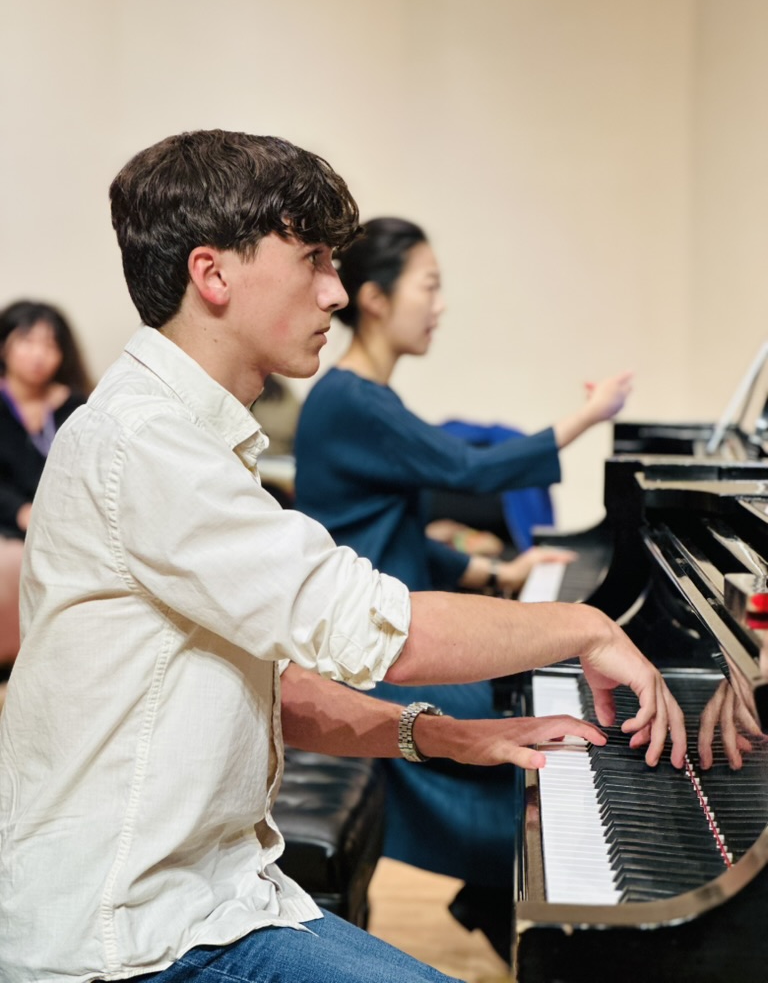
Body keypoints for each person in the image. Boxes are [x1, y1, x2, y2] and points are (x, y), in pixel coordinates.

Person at [0, 129, 685, 983]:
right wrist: (582, 627)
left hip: (220, 895)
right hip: (135, 939)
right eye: (315, 259)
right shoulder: (146, 445)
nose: (337, 290)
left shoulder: (176, 433)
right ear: (213, 275)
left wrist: (444, 736)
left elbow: (267, 688)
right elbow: (383, 629)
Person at [292, 216, 633, 955]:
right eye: (430, 285)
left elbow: (395, 529)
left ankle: (510, 907)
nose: (440, 304)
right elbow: (469, 472)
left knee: (535, 712)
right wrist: (588, 414)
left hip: (389, 631)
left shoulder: (360, 395)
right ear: (377, 298)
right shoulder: (352, 399)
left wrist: (490, 572)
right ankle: (538, 910)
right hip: (370, 656)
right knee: (537, 728)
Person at [0, 299, 92, 674]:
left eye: (50, 344)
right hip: (10, 524)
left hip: (66, 523)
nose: (39, 354)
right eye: (27, 341)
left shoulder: (76, 405)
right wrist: (20, 511)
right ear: (5, 345)